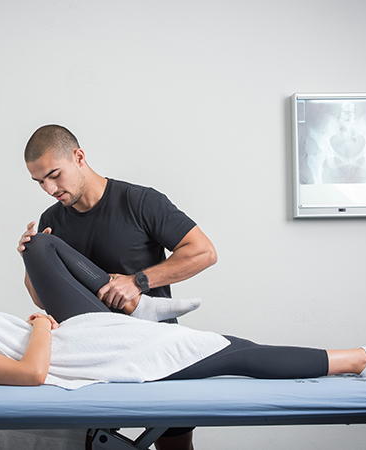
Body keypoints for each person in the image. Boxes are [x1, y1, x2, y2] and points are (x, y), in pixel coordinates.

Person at [0, 233, 366, 402]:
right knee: (235, 350)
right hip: (95, 349)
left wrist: (39, 316)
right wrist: (36, 327)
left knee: (39, 246)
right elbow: (32, 375)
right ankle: (359, 361)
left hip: (87, 330)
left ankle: (146, 304)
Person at [18, 124, 218, 449]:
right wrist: (31, 258)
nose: (49, 188)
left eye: (54, 175)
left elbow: (204, 252)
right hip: (95, 355)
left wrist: (140, 282)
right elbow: (43, 300)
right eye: (39, 181)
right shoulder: (51, 218)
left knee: (175, 446)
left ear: (79, 157)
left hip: (154, 346)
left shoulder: (139, 201)